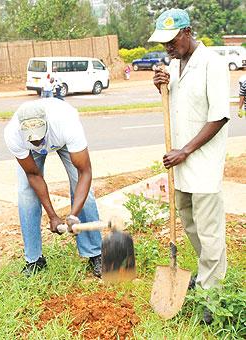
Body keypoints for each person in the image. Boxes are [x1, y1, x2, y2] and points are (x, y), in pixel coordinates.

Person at [149, 9, 230, 324]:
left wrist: (185, 150)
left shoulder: (213, 64)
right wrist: (162, 88)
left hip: (203, 162)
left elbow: (220, 115)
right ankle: (207, 269)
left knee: (209, 232)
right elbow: (179, 106)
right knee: (190, 223)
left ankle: (213, 293)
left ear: (188, 32)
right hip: (180, 164)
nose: (168, 47)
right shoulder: (173, 65)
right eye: (164, 43)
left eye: (172, 41)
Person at [4, 99, 102, 277]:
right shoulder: (13, 134)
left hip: (62, 141)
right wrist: (53, 216)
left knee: (84, 193)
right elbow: (34, 175)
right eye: (31, 138)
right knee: (26, 193)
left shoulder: (66, 124)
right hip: (31, 155)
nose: (36, 142)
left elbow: (84, 172)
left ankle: (95, 253)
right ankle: (34, 260)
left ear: (47, 125)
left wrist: (73, 215)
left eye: (39, 136)